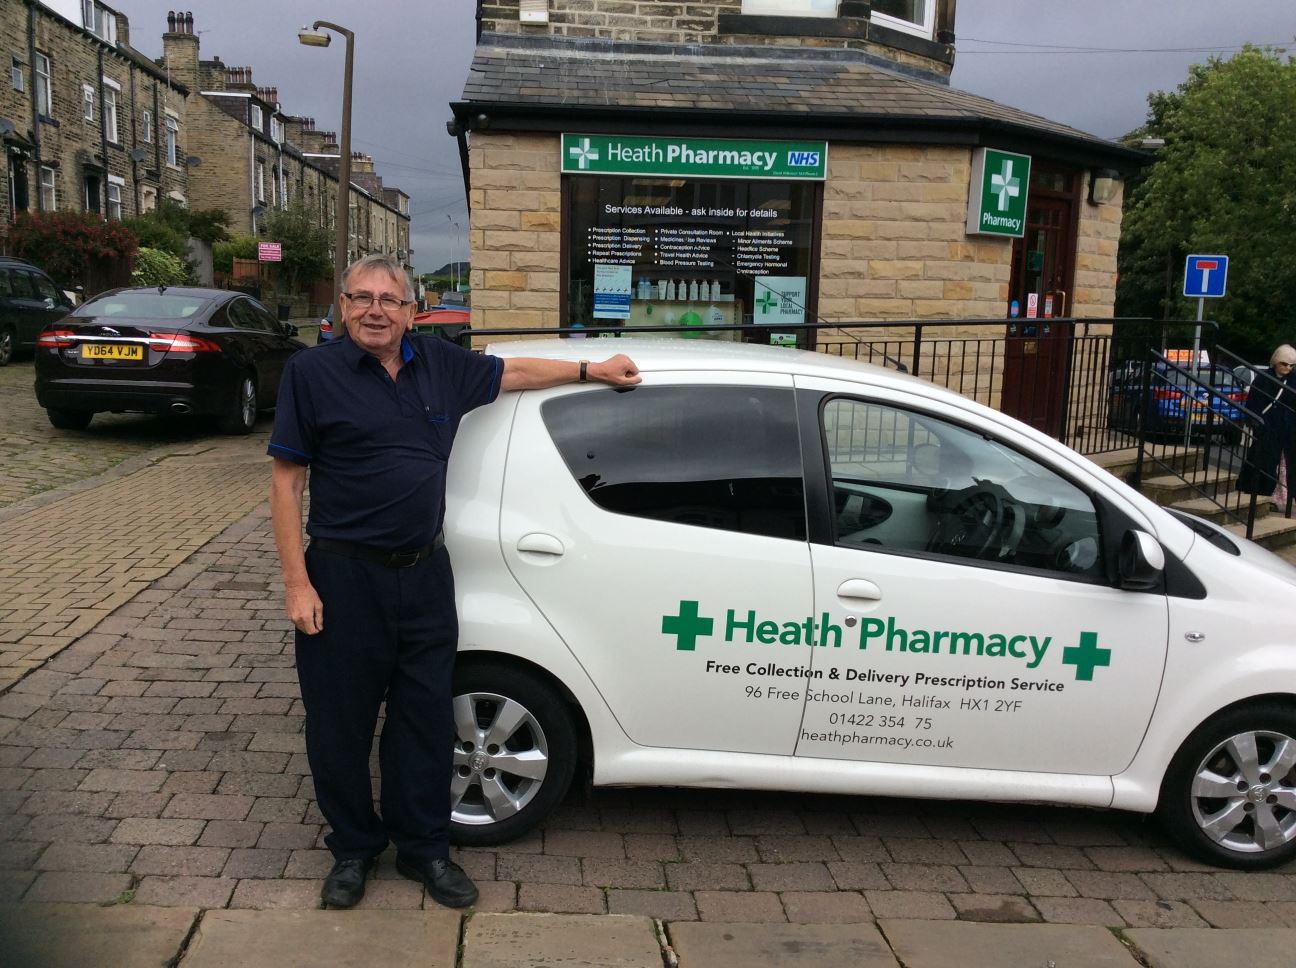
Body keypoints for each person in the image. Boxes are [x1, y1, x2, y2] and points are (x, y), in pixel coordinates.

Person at [268, 253, 640, 910]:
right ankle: (353, 849)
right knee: (338, 725)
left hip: (423, 574)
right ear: (343, 307)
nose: (375, 310)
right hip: (343, 576)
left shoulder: (441, 364)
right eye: (362, 298)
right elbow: (286, 482)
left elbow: (513, 372)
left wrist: (593, 370)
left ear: (411, 312)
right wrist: (298, 584)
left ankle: (423, 849)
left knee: (423, 721)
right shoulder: (311, 374)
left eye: (389, 299)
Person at [1236, 344, 1296, 508]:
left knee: (1285, 466)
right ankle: (1259, 494)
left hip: (1288, 430)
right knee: (1263, 462)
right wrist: (1257, 423)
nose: (1288, 368)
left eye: (1291, 365)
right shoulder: (1263, 378)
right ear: (1276, 362)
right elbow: (1253, 402)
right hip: (1268, 428)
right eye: (1284, 364)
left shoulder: (1293, 380)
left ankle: (1280, 499)